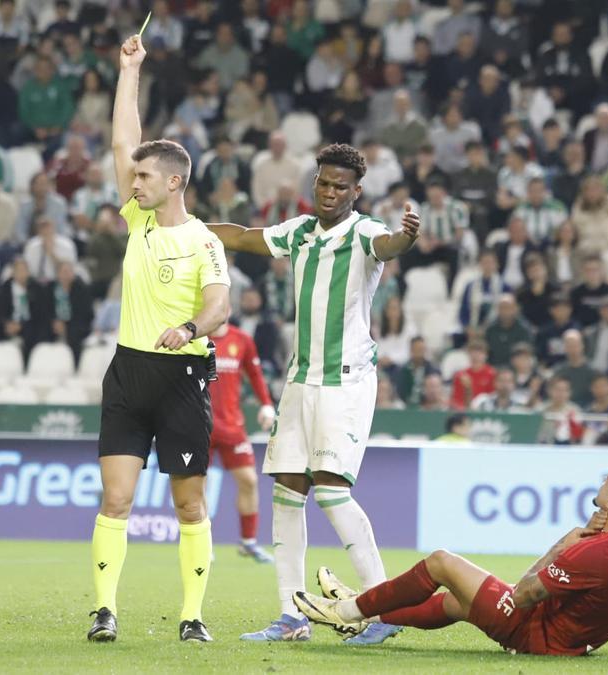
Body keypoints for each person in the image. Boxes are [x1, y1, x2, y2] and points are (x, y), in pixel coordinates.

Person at [209, 141, 419, 645]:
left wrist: (406, 239)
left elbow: (389, 245)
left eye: (340, 186)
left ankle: (384, 607)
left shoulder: (365, 231)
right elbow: (240, 237)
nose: (329, 192)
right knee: (286, 491)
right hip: (301, 380)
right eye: (323, 183)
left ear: (356, 192)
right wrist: (181, 226)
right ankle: (291, 616)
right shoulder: (299, 231)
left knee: (330, 489)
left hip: (344, 381)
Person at [87, 35, 231, 645]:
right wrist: (129, 71)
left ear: (174, 182)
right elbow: (125, 139)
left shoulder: (204, 240)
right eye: (135, 174)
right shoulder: (138, 219)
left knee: (189, 507)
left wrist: (191, 328)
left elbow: (220, 305)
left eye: (145, 176)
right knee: (115, 501)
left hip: (183, 376)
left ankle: (193, 615)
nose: (133, 180)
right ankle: (104, 611)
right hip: (128, 373)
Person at [294, 459, 608, 657]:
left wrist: (562, 545)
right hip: (576, 637)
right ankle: (367, 613)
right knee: (457, 602)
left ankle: (345, 612)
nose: (604, 478)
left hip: (539, 637)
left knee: (442, 562)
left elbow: (520, 595)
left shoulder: (591, 553)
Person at [208, 322, 276, 563]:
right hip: (198, 424)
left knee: (248, 480)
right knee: (198, 485)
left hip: (232, 425)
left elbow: (255, 375)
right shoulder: (194, 336)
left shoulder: (242, 340)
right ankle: (202, 545)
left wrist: (266, 403)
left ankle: (248, 543)